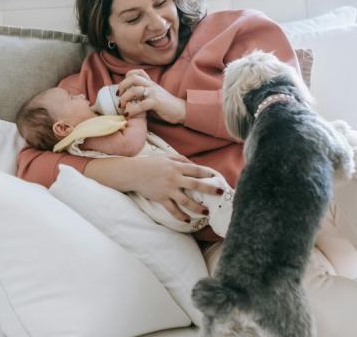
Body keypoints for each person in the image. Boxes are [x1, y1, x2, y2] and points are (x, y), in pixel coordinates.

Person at [17, 0, 298, 258]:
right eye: (134, 18)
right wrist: (136, 173)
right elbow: (31, 166)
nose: (158, 23)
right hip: (223, 235)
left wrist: (180, 108)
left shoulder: (234, 32)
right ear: (107, 32)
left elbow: (287, 117)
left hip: (293, 186)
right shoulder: (89, 86)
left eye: (161, 2)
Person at [16, 85, 234, 236]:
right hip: (167, 197)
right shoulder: (84, 137)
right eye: (72, 98)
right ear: (63, 128)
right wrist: (138, 115)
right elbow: (129, 145)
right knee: (210, 184)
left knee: (210, 189)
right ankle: (239, 227)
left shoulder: (86, 132)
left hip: (173, 200)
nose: (82, 95)